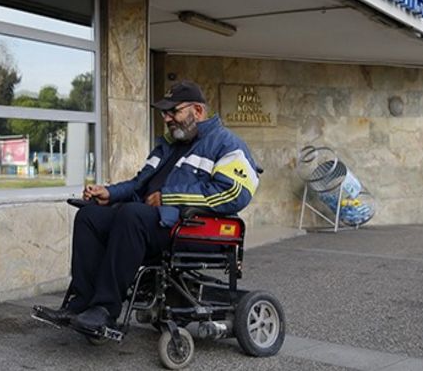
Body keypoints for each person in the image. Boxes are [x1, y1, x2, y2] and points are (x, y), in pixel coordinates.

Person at [36, 80, 260, 334]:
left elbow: (234, 194)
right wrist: (109, 193)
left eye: (173, 111)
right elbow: (139, 184)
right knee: (89, 215)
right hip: (149, 221)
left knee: (131, 215)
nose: (167, 118)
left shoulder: (227, 145)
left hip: (188, 228)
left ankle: (104, 311)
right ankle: (82, 304)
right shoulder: (167, 145)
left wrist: (169, 197)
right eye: (164, 113)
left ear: (197, 111)